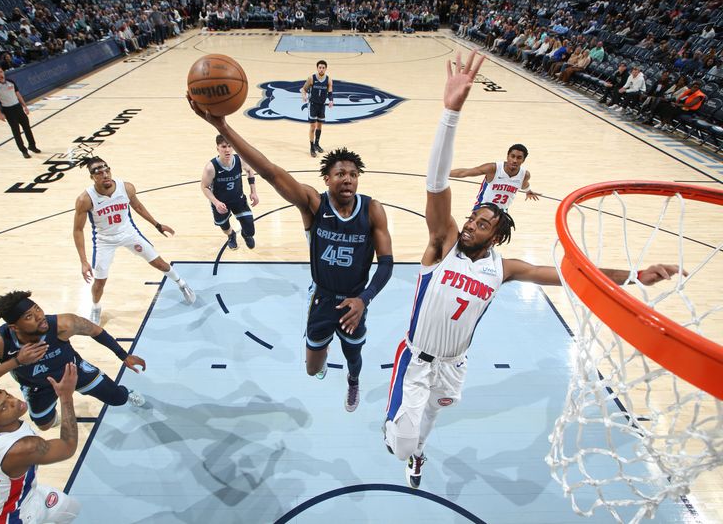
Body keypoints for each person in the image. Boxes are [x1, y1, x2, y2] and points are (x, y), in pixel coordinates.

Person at [382, 50, 682, 490]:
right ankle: (401, 440)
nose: (470, 225)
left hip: (454, 363)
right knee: (401, 440)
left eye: (482, 224)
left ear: (496, 236)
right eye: (471, 219)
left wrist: (636, 275)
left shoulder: (504, 268)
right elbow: (437, 184)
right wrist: (450, 113)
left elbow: (569, 275)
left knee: (433, 413)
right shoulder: (442, 245)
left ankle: (418, 451)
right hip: (416, 357)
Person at [188, 94, 394, 413]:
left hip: (355, 299)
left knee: (354, 354)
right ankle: (324, 364)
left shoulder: (372, 210)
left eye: (353, 174)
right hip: (323, 297)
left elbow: (387, 264)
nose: (348, 179)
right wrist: (222, 126)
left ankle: (353, 380)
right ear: (326, 179)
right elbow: (270, 171)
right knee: (313, 368)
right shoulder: (313, 203)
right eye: (341, 173)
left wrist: (364, 299)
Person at [0, 290, 147, 431]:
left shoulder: (64, 324)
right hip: (38, 386)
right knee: (44, 424)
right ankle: (55, 412)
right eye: (29, 317)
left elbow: (95, 330)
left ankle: (127, 394)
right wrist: (11, 365)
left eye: (38, 309)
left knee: (117, 398)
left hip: (74, 372)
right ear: (14, 327)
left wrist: (123, 355)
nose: (40, 316)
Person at [72, 156, 196, 324]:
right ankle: (95, 307)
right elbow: (78, 230)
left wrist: (157, 224)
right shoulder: (85, 199)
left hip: (128, 233)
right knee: (100, 281)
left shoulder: (126, 187)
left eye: (106, 170)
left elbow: (137, 207)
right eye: (99, 172)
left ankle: (182, 284)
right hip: (104, 240)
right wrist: (84, 261)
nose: (105, 174)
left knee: (159, 263)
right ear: (92, 177)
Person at [0, 363, 82, 523]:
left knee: (70, 508)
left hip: (21, 496)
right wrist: (66, 397)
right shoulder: (23, 448)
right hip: (13, 517)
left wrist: (14, 362)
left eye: (7, 395)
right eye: (4, 407)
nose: (14, 401)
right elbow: (68, 446)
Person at [202, 135, 259, 250]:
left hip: (238, 199)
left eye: (229, 146)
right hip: (220, 203)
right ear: (217, 148)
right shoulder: (211, 167)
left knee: (250, 230)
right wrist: (216, 203)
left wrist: (253, 191)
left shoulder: (240, 160)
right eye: (223, 146)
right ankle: (231, 235)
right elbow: (204, 187)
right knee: (224, 226)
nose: (227, 150)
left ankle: (245, 234)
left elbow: (249, 170)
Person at [449, 144, 539, 211]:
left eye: (519, 158)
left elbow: (524, 184)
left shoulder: (525, 175)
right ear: (507, 156)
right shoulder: (493, 168)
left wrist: (528, 191)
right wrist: (442, 175)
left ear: (523, 160)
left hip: (502, 212)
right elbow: (465, 172)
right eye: (512, 156)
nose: (515, 160)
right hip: (483, 208)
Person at [0, 65, 40, 159]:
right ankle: (23, 150)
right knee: (16, 131)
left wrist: (24, 106)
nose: (0, 74)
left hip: (17, 107)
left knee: (27, 128)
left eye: (1, 72)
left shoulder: (10, 82)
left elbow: (18, 94)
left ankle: (32, 146)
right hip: (8, 110)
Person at [300, 60, 334, 158]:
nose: (321, 69)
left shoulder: (328, 80)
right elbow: (304, 89)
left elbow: (330, 93)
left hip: (322, 105)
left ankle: (317, 144)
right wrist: (304, 96)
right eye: (320, 67)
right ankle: (311, 147)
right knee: (313, 127)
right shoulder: (311, 78)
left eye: (323, 67)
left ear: (326, 68)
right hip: (313, 105)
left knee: (319, 126)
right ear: (317, 68)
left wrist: (331, 100)